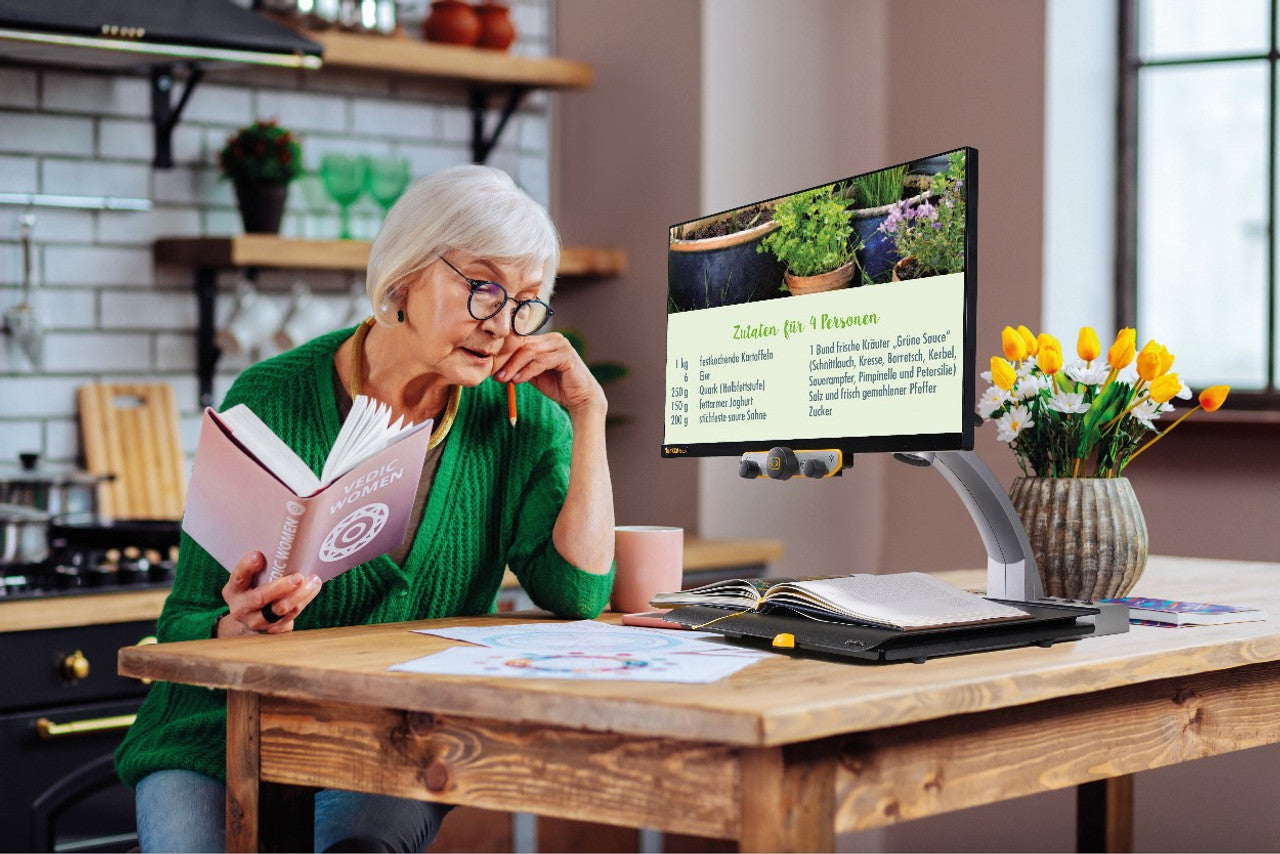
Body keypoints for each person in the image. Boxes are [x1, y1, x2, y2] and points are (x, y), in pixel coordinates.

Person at [116, 164, 616, 852]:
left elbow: (578, 592)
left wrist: (588, 416)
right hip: (217, 726)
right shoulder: (271, 395)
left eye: (526, 302)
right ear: (404, 277)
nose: (502, 325)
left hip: (385, 736)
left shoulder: (520, 419)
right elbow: (182, 624)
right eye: (482, 289)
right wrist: (240, 629)